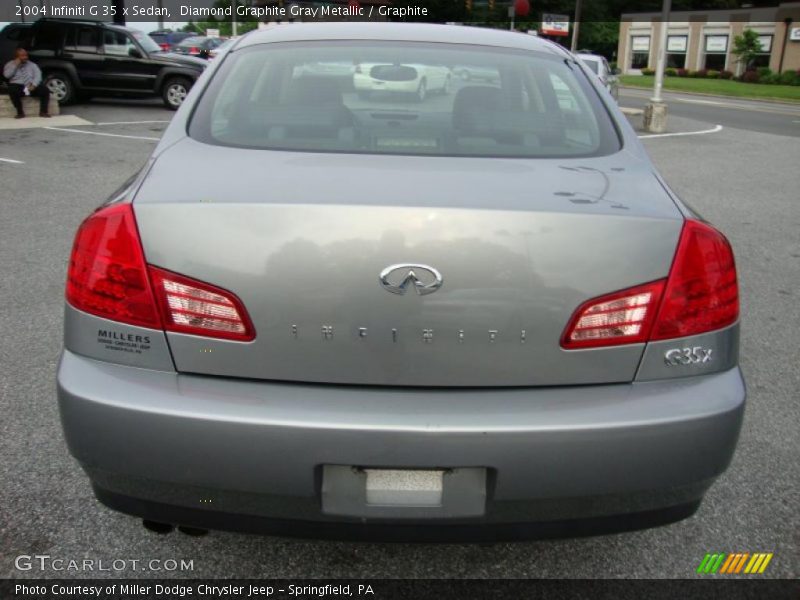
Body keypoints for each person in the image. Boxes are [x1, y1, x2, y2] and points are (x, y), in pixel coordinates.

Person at [3, 48, 51, 119]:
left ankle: (43, 112)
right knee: (12, 90)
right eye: (22, 56)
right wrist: (15, 66)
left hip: (30, 85)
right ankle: (20, 113)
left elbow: (38, 75)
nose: (25, 57)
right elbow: (7, 75)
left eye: (26, 55)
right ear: (17, 57)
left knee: (45, 90)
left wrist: (34, 85)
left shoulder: (32, 65)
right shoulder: (9, 64)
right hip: (17, 86)